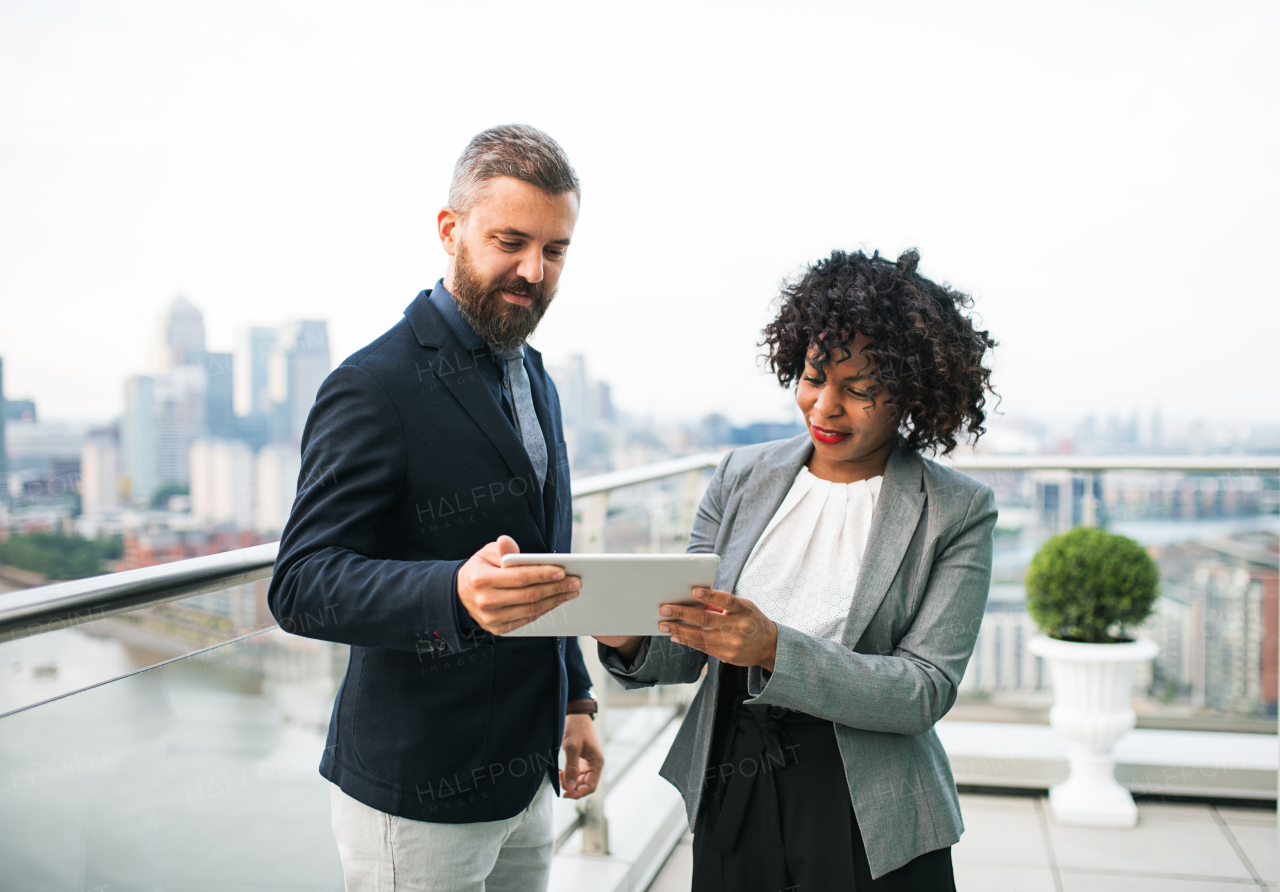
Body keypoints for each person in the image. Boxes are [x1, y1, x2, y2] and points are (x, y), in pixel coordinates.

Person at [596, 249, 998, 890]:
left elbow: (925, 689)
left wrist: (775, 648)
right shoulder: (742, 475)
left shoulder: (956, 510)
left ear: (911, 395)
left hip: (866, 800)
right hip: (735, 775)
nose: (825, 407)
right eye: (814, 378)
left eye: (860, 391)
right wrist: (627, 632)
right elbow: (691, 647)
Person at [268, 124, 603, 892]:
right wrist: (452, 590)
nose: (533, 270)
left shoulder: (536, 376)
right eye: (511, 241)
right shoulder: (373, 384)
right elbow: (301, 584)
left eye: (555, 251)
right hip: (419, 792)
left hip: (528, 773)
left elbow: (548, 559)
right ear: (450, 230)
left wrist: (576, 697)